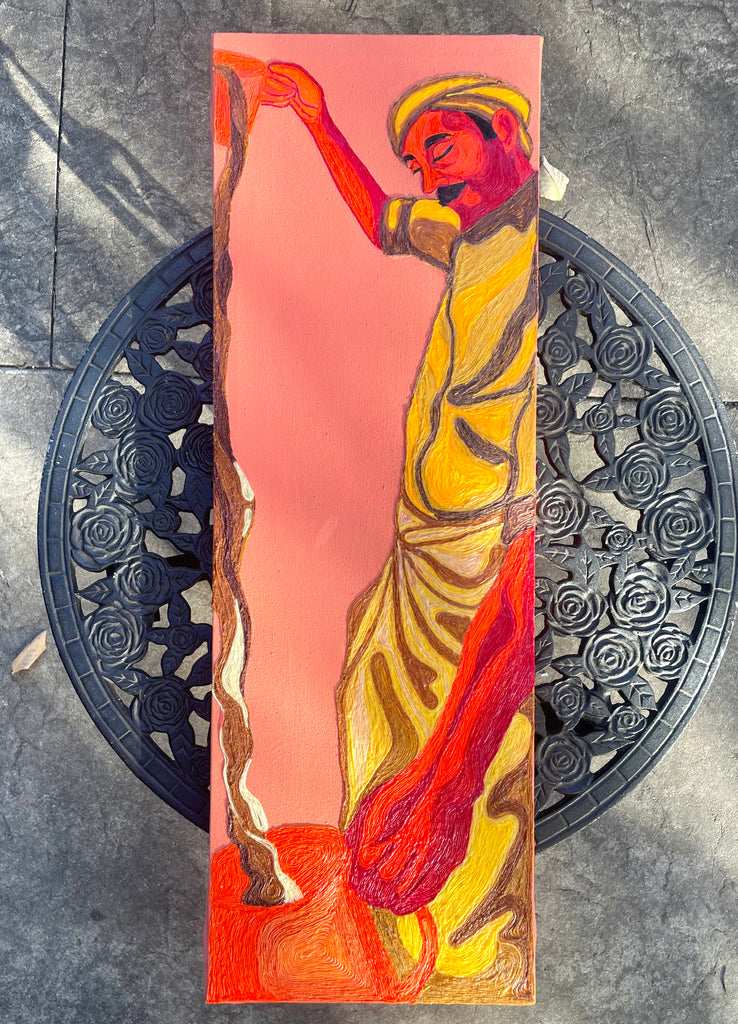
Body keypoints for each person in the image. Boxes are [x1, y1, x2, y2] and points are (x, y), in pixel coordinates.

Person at [210, 58, 538, 1003]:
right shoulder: (468, 234)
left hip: (484, 547)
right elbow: (380, 221)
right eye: (417, 161)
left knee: (467, 751)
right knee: (370, 696)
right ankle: (393, 931)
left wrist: (452, 771)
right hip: (424, 532)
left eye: (439, 145)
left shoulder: (531, 254)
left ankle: (470, 951)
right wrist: (319, 119)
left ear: (506, 133)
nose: (426, 172)